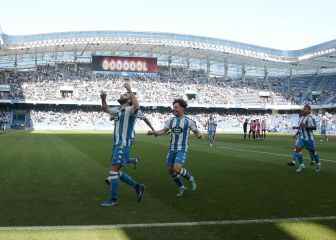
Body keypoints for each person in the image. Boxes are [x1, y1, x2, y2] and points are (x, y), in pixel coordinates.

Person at [100, 83, 145, 207]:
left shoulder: (131, 109)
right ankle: (138, 187)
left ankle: (113, 199)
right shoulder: (119, 110)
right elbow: (105, 109)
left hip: (123, 144)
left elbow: (137, 106)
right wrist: (103, 98)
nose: (122, 94)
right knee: (116, 172)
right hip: (117, 144)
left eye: (125, 94)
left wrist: (130, 90)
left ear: (129, 99)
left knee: (113, 172)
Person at [148, 99, 202, 197]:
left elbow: (196, 131)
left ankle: (190, 178)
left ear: (182, 108)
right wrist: (153, 132)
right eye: (174, 107)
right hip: (172, 149)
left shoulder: (188, 121)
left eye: (176, 107)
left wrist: (199, 135)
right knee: (170, 170)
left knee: (177, 168)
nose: (174, 109)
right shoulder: (171, 120)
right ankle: (181, 187)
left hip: (182, 149)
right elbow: (163, 131)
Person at [291, 105, 320, 173]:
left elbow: (314, 127)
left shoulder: (311, 118)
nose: (304, 110)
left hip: (309, 139)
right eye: (304, 109)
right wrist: (296, 130)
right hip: (302, 138)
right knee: (297, 150)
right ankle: (301, 165)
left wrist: (306, 127)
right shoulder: (302, 118)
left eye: (306, 109)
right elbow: (301, 127)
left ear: (309, 111)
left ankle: (318, 164)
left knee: (313, 152)